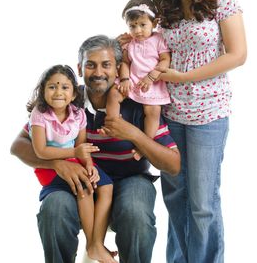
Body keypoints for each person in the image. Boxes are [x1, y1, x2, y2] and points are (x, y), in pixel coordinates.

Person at [10, 35, 181, 263]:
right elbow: (18, 145)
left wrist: (132, 133)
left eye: (106, 65)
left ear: (119, 68)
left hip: (130, 179)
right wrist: (55, 163)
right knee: (54, 208)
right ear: (80, 68)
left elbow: (174, 164)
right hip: (80, 181)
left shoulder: (139, 100)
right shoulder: (67, 98)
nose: (98, 72)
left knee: (136, 211)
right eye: (91, 65)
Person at [151, 0, 247, 263]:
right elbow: (149, 48)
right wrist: (128, 40)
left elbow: (238, 54)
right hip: (171, 114)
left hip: (210, 113)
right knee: (176, 197)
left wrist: (186, 77)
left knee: (203, 203)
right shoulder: (163, 11)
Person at [26, 64, 116, 263]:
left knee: (106, 185)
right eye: (52, 87)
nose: (58, 92)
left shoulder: (78, 114)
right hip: (49, 165)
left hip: (75, 159)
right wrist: (73, 153)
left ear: (74, 92)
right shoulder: (40, 115)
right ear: (43, 91)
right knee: (85, 187)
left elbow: (82, 146)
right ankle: (92, 244)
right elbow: (40, 150)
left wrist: (90, 165)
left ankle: (95, 243)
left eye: (65, 87)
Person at [106, 0, 171, 149]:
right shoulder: (130, 43)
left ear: (154, 23)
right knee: (114, 93)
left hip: (152, 82)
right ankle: (113, 123)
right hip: (133, 79)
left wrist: (151, 76)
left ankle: (145, 145)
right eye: (133, 26)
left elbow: (165, 60)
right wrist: (124, 79)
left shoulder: (159, 39)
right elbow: (126, 63)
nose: (137, 30)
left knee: (153, 111)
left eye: (143, 25)